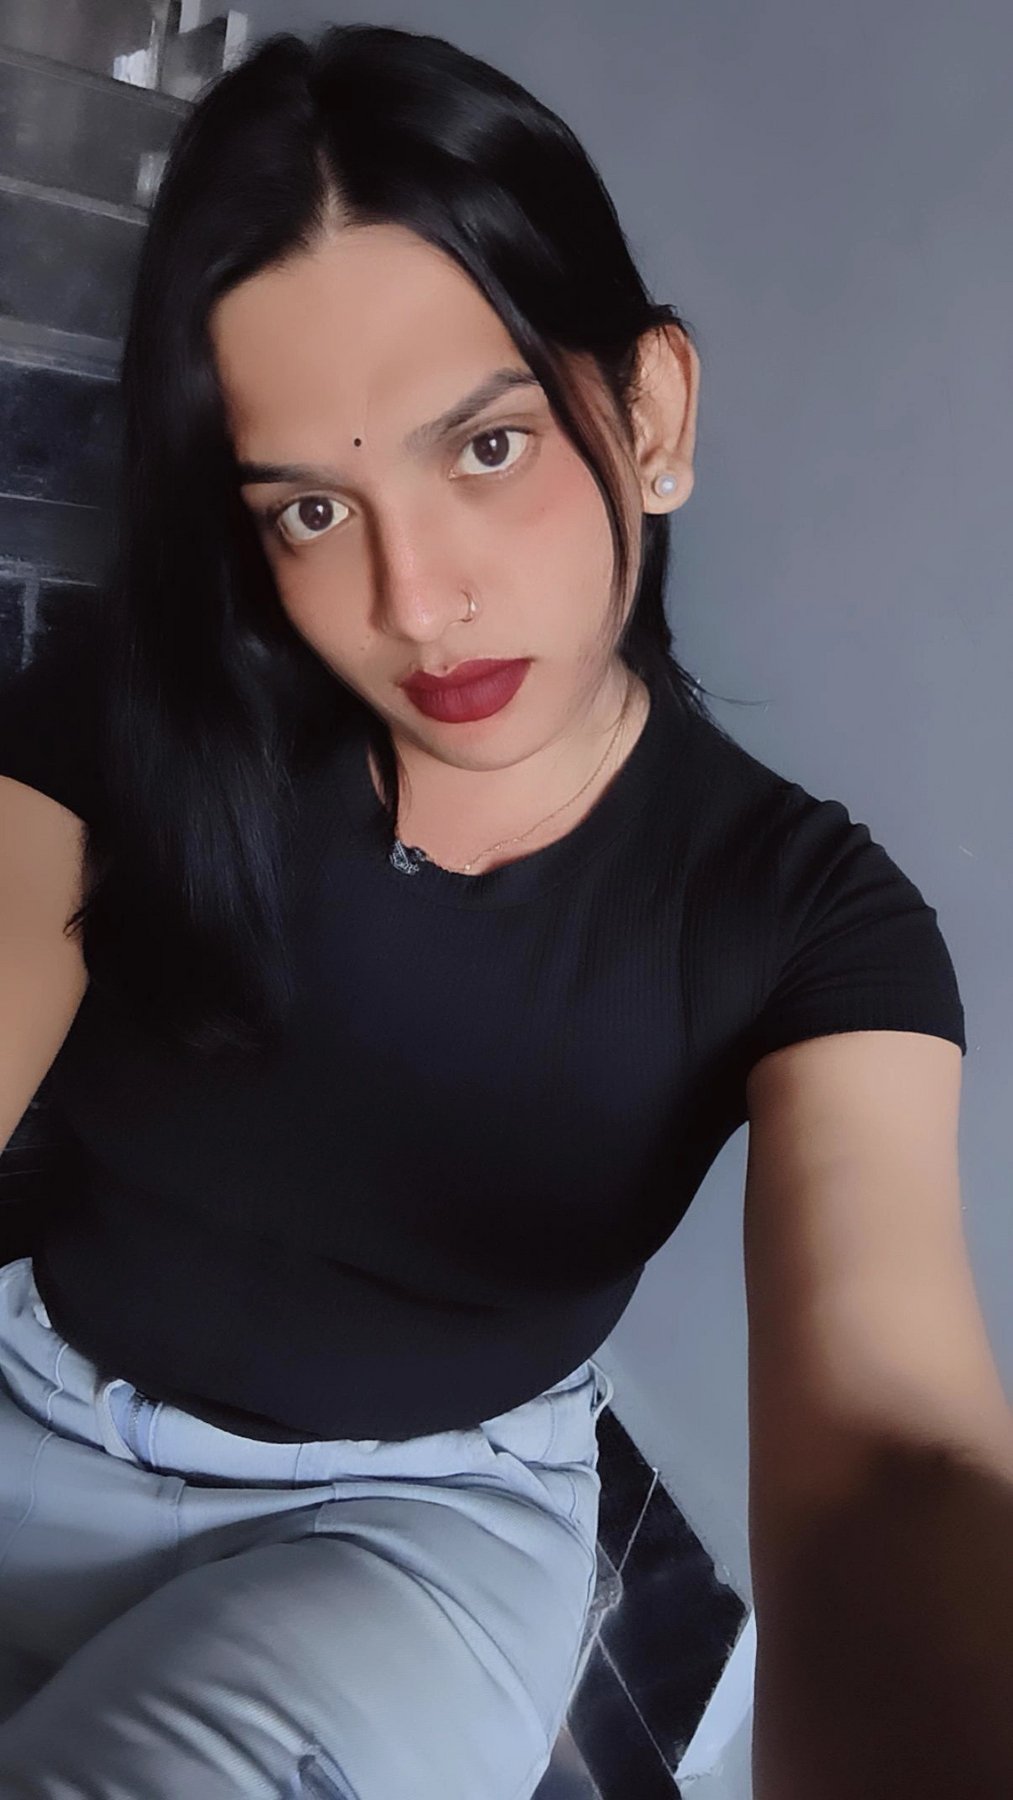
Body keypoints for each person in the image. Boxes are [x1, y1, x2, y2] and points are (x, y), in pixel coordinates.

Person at [0, 23, 998, 1800]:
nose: (413, 600)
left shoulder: (812, 925)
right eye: (314, 507)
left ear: (649, 416)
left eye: (485, 448)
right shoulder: (145, 717)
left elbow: (887, 1452)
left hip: (404, 1531)